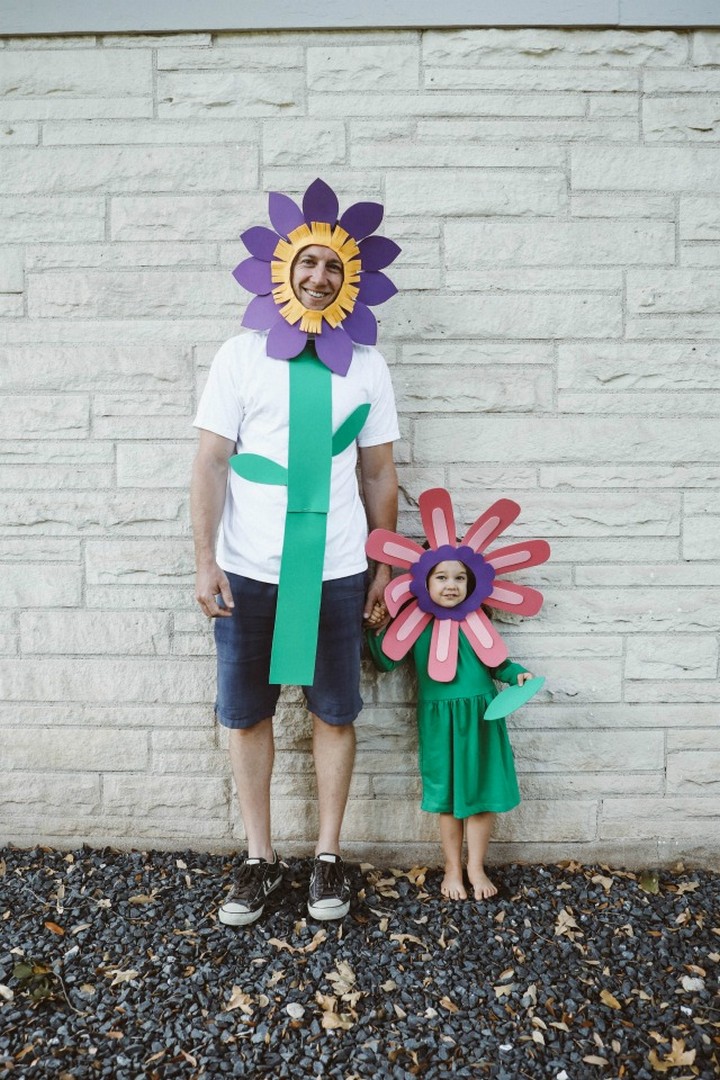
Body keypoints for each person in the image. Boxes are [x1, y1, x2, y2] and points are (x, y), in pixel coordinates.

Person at [191, 179, 400, 926]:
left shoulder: (367, 365)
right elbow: (212, 462)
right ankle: (259, 857)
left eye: (334, 269)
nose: (318, 278)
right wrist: (205, 559)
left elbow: (378, 471)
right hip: (250, 571)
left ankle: (328, 856)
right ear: (283, 269)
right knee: (247, 714)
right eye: (307, 263)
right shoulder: (240, 357)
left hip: (340, 568)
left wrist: (382, 565)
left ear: (352, 281)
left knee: (334, 712)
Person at [367, 559, 533, 901]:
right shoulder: (414, 623)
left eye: (460, 578)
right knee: (447, 797)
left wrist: (517, 674)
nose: (451, 585)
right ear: (424, 583)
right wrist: (376, 628)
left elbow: (497, 661)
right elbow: (386, 661)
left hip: (481, 716)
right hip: (440, 721)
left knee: (481, 794)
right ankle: (453, 867)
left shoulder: (477, 620)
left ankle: (476, 866)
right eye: (441, 577)